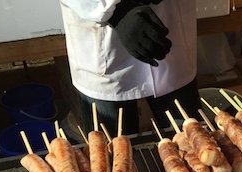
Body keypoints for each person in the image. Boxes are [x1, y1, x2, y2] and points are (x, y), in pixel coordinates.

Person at [60, 0, 202, 136]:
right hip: (104, 50)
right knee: (112, 153)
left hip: (171, 33)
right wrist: (119, 14)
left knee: (194, 145)